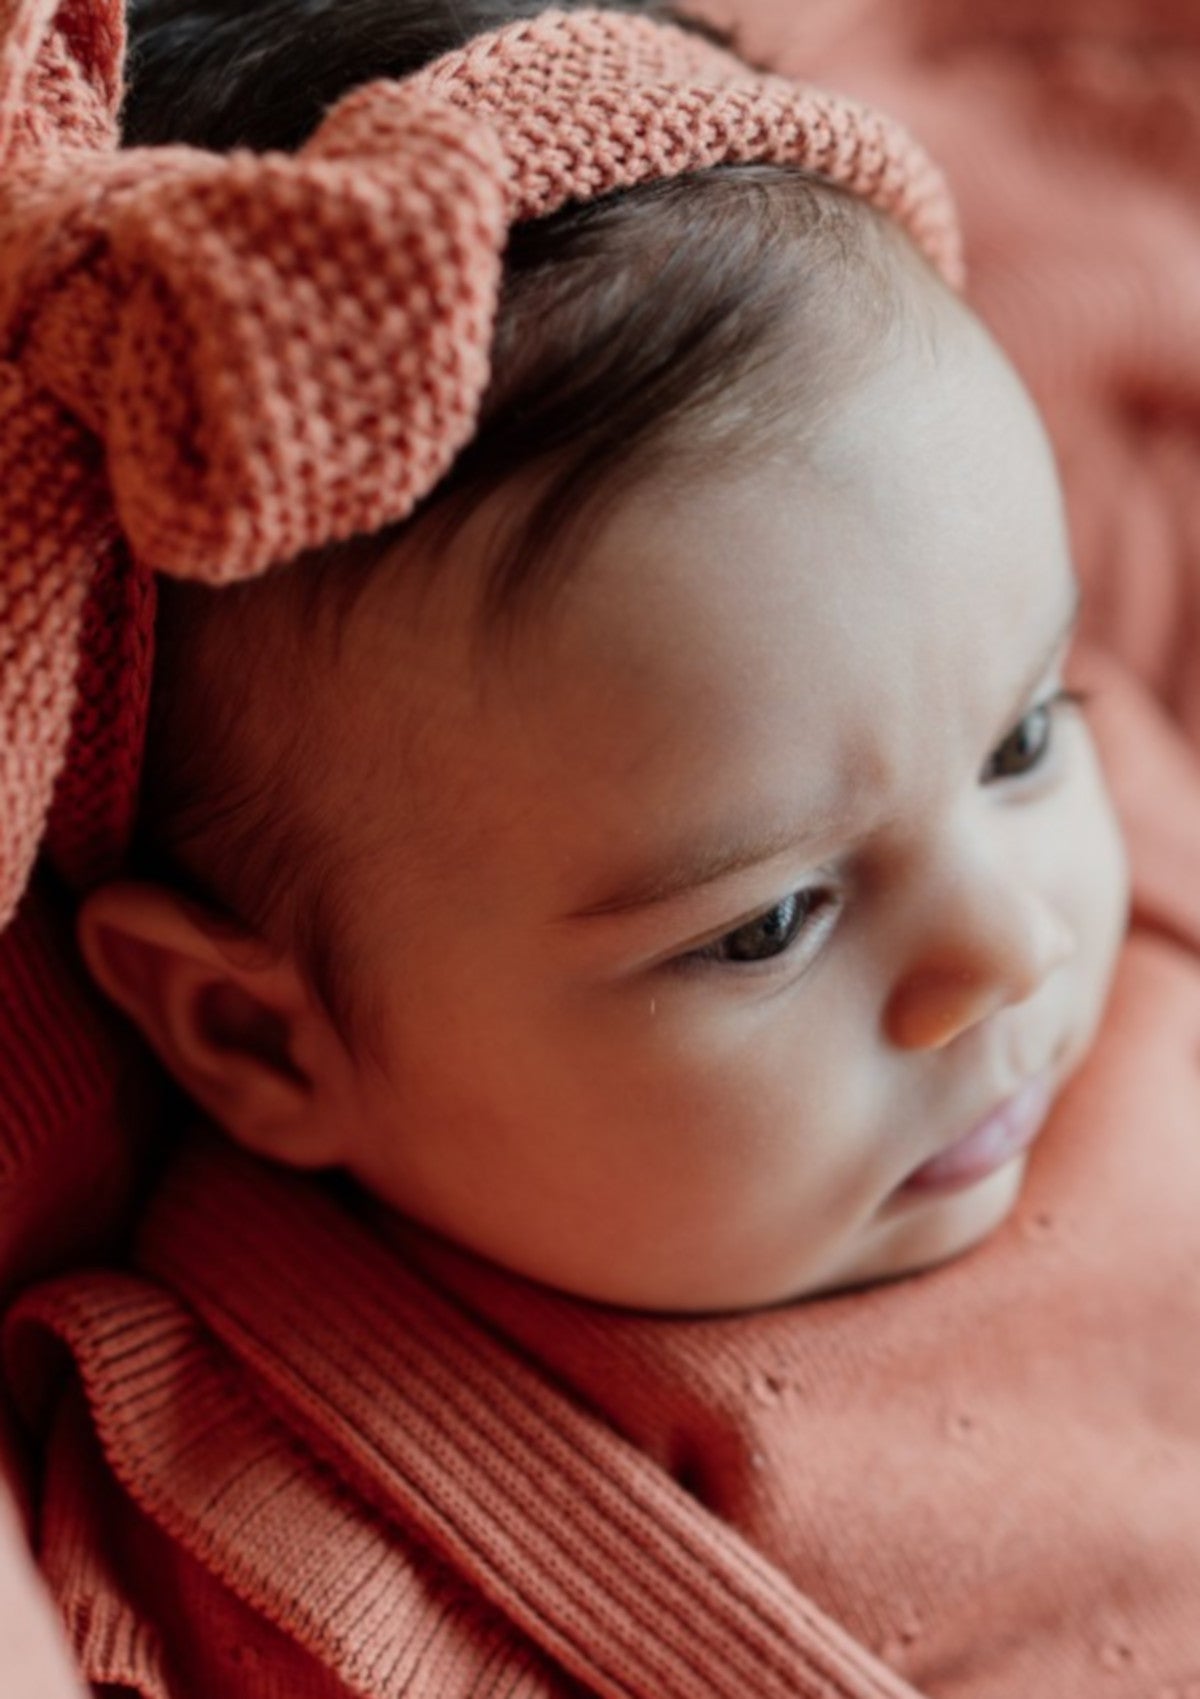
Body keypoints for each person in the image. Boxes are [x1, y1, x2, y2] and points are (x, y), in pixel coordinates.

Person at [3, 0, 1200, 1695]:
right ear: (256, 1031)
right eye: (770, 922)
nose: (1010, 942)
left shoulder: (1114, 825)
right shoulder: (309, 1528)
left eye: (1020, 737)